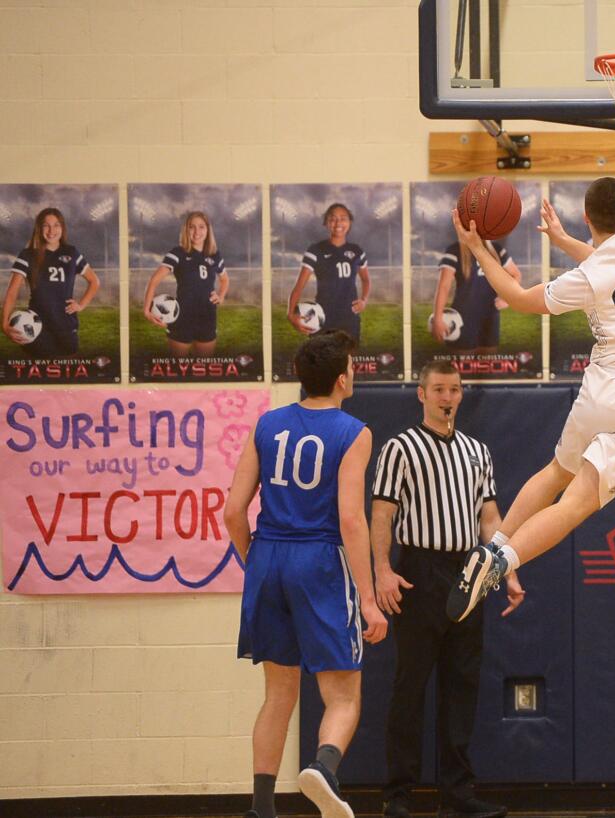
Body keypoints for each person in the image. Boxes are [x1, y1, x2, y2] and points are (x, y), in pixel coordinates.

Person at [444, 177, 615, 623]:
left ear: (587, 217)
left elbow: (517, 296)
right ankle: (503, 563)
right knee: (576, 505)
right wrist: (566, 241)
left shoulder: (588, 276)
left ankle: (494, 544)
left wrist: (478, 248)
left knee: (557, 473)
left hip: (606, 388)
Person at [224, 330, 387, 818]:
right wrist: (370, 598)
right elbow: (351, 519)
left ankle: (261, 808)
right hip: (317, 559)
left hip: (268, 555)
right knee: (342, 695)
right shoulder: (353, 431)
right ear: (342, 379)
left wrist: (254, 558)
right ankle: (325, 768)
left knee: (278, 694)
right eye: (353, 367)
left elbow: (234, 511)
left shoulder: (267, 424)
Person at [371, 359, 521, 818]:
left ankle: (457, 794)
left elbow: (490, 517)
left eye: (453, 389)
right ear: (421, 394)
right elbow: (382, 514)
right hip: (418, 570)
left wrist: (507, 568)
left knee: (462, 684)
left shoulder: (477, 451)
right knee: (410, 685)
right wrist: (381, 569)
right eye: (438, 389)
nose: (446, 397)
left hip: (469, 571)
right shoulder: (399, 448)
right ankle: (399, 795)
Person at [2, 207, 99, 356]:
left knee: (67, 365)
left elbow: (94, 281)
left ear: (62, 228)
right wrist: (4, 325)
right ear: (39, 229)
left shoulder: (71, 253)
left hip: (66, 324)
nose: (51, 230)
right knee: (44, 367)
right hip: (37, 325)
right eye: (46, 225)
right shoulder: (28, 255)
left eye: (56, 225)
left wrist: (81, 305)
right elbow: (12, 292)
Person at [142, 210, 229, 357]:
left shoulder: (214, 255)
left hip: (207, 318)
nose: (197, 231)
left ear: (208, 230)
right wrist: (146, 309)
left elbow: (225, 279)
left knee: (204, 370)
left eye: (201, 227)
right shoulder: (178, 253)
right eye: (192, 227)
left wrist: (220, 295)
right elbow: (154, 280)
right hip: (182, 318)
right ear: (186, 230)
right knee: (178, 369)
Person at [289, 203, 371, 345]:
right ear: (326, 223)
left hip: (349, 318)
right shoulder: (315, 250)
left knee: (347, 362)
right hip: (322, 317)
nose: (338, 223)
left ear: (349, 222)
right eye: (332, 219)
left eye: (343, 218)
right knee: (321, 362)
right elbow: (299, 286)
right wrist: (290, 314)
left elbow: (366, 280)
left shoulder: (357, 251)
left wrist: (364, 300)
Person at [432, 239, 523, 353]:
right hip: (464, 315)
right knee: (463, 362)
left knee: (489, 361)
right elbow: (444, 286)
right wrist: (438, 318)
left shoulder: (496, 249)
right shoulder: (455, 250)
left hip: (490, 314)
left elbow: (516, 275)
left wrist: (508, 299)